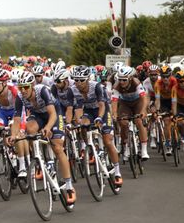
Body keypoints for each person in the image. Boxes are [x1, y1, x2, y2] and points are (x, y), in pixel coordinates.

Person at [10, 72, 77, 204]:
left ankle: (69, 186)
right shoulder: (20, 97)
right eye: (20, 87)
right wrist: (13, 135)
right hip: (38, 116)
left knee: (57, 147)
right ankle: (40, 159)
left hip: (54, 115)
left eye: (26, 87)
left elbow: (52, 114)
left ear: (32, 86)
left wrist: (47, 127)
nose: (23, 90)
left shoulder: (43, 91)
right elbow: (17, 120)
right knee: (29, 130)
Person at [71, 66, 123, 187]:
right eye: (76, 80)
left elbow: (102, 105)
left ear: (88, 79)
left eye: (81, 80)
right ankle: (89, 146)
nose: (78, 83)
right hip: (89, 111)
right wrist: (78, 121)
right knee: (82, 125)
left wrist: (99, 117)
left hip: (103, 111)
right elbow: (78, 108)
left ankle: (117, 172)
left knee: (108, 141)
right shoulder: (73, 89)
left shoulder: (97, 87)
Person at [111, 66, 150, 160]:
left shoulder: (136, 82)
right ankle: (126, 145)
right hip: (125, 104)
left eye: (124, 80)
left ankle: (144, 150)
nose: (121, 82)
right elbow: (114, 102)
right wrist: (115, 114)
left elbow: (144, 98)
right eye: (120, 79)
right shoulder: (116, 86)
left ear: (130, 78)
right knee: (123, 123)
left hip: (138, 102)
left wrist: (143, 111)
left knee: (139, 121)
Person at [154, 65, 178, 155]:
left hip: (174, 100)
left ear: (171, 75)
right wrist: (157, 110)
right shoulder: (158, 84)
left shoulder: (175, 82)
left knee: (178, 120)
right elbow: (157, 100)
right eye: (163, 76)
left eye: (167, 76)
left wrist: (174, 110)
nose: (165, 78)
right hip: (164, 101)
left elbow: (176, 98)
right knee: (166, 121)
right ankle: (168, 143)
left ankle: (179, 136)